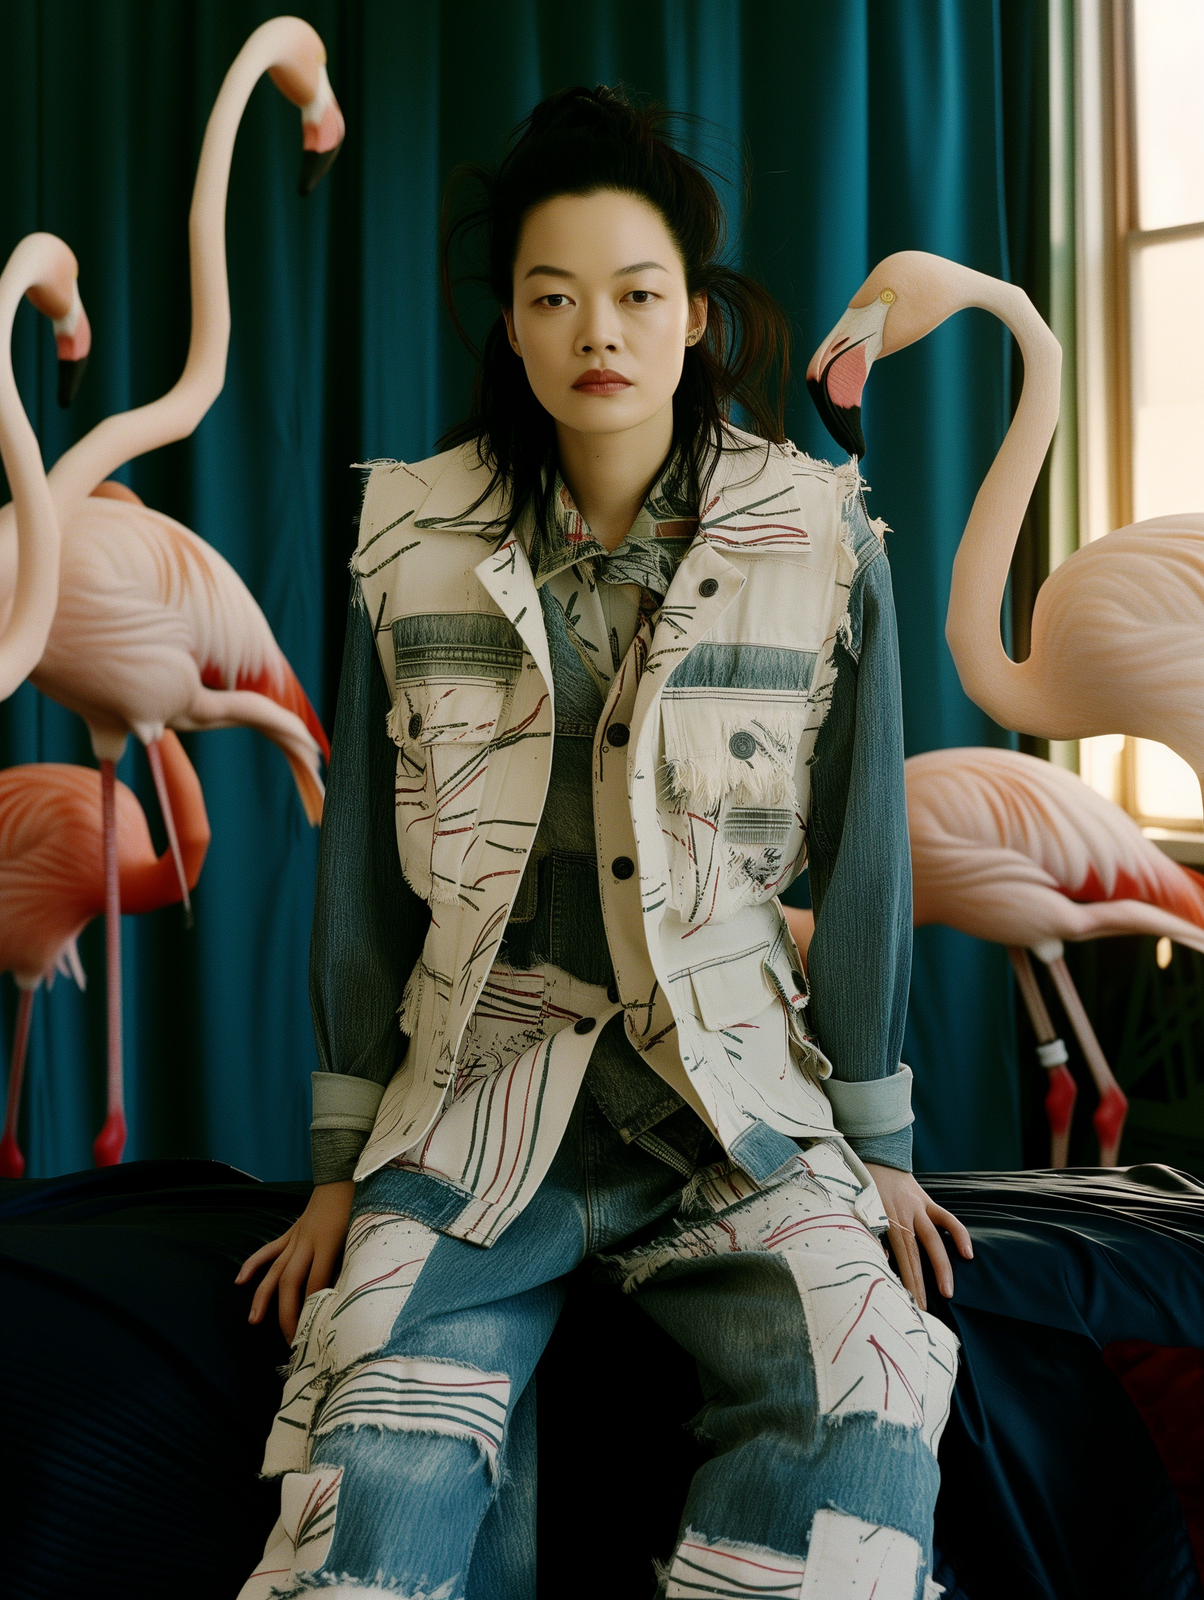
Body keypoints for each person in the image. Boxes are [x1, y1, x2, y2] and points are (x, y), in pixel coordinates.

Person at [237, 85, 971, 1600]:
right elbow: (366, 879)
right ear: (510, 324)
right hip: (476, 1104)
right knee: (373, 1450)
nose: (598, 334)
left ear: (695, 316)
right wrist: (335, 1164)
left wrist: (880, 1150)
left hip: (729, 1103)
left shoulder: (821, 532)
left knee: (870, 1392)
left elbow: (867, 849)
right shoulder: (408, 537)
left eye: (637, 296)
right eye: (552, 298)